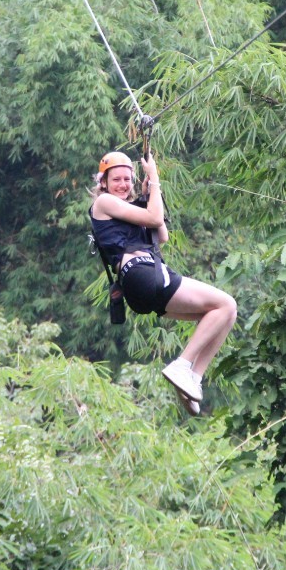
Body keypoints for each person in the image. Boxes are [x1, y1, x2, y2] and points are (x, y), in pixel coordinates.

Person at [89, 151, 237, 415]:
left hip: (141, 286)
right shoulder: (104, 204)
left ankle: (193, 378)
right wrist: (154, 177)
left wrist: (148, 195)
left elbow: (161, 235)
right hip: (142, 274)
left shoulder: (130, 209)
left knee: (221, 315)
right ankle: (182, 365)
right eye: (116, 180)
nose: (122, 185)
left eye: (126, 179)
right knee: (226, 304)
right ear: (104, 183)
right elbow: (156, 219)